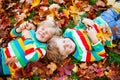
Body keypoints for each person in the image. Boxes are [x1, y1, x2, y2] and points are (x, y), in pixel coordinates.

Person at [46, 17, 113, 63]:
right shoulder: (81, 55)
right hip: (109, 32)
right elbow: (101, 56)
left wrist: (83, 21)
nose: (67, 44)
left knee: (116, 8)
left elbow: (79, 26)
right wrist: (94, 39)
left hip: (101, 20)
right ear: (65, 56)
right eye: (64, 47)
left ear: (61, 37)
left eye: (63, 41)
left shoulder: (69, 33)